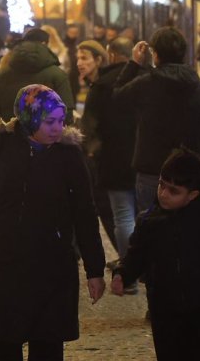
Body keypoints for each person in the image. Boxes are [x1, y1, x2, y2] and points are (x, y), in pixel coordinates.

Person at [0, 85, 106, 361]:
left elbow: (85, 213)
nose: (57, 129)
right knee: (4, 343)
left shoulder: (69, 154)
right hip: (5, 262)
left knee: (48, 344)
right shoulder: (0, 146)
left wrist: (94, 269)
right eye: (50, 121)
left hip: (53, 265)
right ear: (29, 118)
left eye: (61, 121)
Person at [110, 150, 200, 360]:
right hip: (163, 306)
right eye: (161, 185)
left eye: (174, 191)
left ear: (193, 194)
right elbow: (136, 255)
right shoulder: (149, 221)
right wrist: (122, 274)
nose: (164, 193)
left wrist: (196, 170)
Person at [106, 27, 200, 216]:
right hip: (188, 171)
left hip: (151, 171)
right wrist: (199, 161)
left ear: (155, 54)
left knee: (151, 232)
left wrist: (134, 63)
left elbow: (117, 98)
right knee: (186, 231)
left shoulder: (146, 84)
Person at [84, 39, 139, 285]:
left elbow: (90, 125)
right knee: (146, 214)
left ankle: (129, 273)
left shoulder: (102, 84)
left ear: (111, 55)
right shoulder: (147, 80)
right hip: (145, 157)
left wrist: (92, 150)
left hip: (113, 157)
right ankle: (147, 267)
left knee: (123, 216)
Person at [0, 28, 75, 142]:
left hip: (9, 144)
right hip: (47, 147)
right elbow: (66, 115)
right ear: (45, 45)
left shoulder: (0, 74)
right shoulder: (58, 75)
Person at [73, 39, 120, 263]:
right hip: (104, 155)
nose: (79, 63)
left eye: (84, 58)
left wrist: (90, 149)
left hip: (103, 157)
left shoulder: (102, 86)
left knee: (108, 209)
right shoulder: (97, 85)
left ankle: (128, 260)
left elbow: (97, 124)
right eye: (78, 58)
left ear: (99, 59)